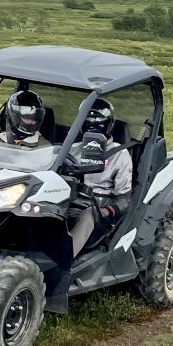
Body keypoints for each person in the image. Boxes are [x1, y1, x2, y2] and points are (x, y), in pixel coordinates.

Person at [69, 98, 133, 256]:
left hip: (97, 209)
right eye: (89, 124)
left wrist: (106, 211)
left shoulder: (119, 155)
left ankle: (65, 261)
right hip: (69, 202)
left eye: (99, 125)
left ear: (109, 125)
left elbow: (124, 200)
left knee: (88, 215)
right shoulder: (72, 149)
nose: (94, 129)